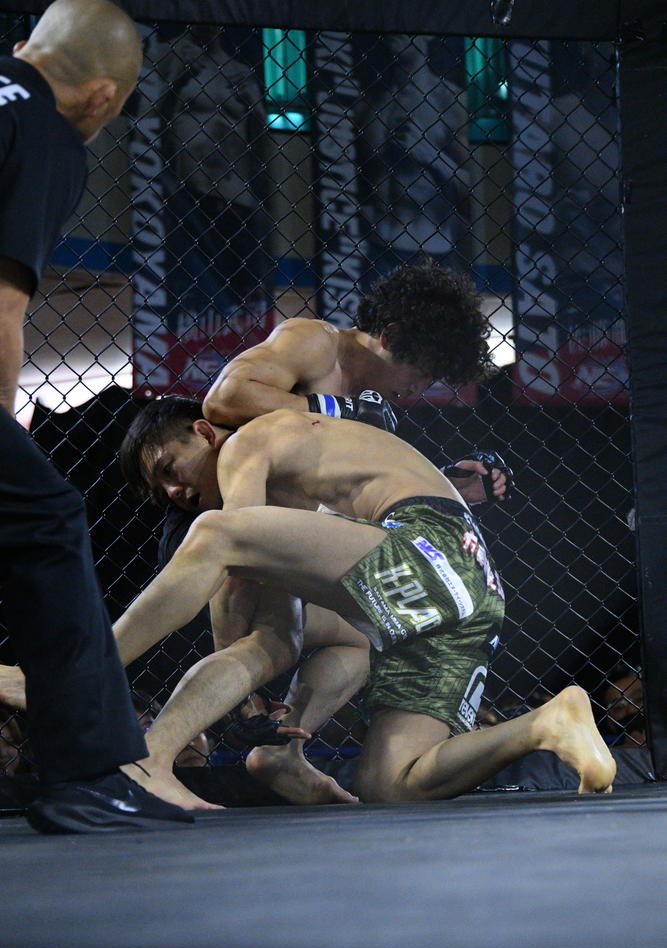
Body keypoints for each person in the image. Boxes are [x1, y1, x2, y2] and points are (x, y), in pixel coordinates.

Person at [111, 398, 616, 807]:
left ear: (204, 432)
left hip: (431, 547)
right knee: (391, 783)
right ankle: (545, 724)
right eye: (161, 490)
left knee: (215, 534)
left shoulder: (246, 443)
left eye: (170, 468)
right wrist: (252, 691)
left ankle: (98, 666)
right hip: (469, 592)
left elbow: (236, 553)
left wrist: (243, 697)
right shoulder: (297, 496)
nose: (174, 490)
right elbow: (277, 623)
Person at [0, 0, 193, 833]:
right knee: (46, 519)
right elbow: (1, 304)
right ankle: (85, 775)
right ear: (103, 97)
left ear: (23, 47)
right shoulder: (41, 131)